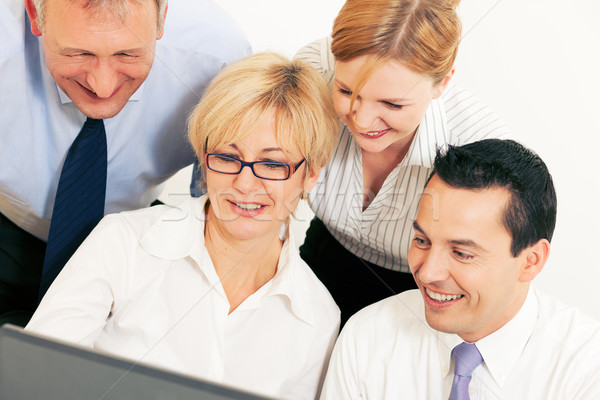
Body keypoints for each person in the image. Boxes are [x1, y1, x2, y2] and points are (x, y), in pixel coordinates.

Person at [26, 52, 341, 400]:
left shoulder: (319, 317)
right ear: (204, 162)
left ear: (311, 173)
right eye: (226, 157)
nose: (246, 184)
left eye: (271, 164)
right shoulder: (123, 243)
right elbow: (35, 380)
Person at [0, 0, 250, 326]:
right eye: (79, 54)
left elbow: (216, 203)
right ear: (35, 14)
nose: (103, 88)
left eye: (127, 55)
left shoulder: (217, 56)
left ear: (162, 20)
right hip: (10, 230)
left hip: (134, 245)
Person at [321, 139, 600, 399]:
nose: (428, 273)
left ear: (531, 261)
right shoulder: (367, 338)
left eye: (462, 254)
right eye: (422, 240)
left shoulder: (586, 369)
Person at [294, 0, 511, 324]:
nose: (363, 121)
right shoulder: (315, 70)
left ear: (443, 82)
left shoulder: (479, 144)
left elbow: (492, 272)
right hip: (319, 254)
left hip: (420, 295)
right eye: (346, 91)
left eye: (392, 104)